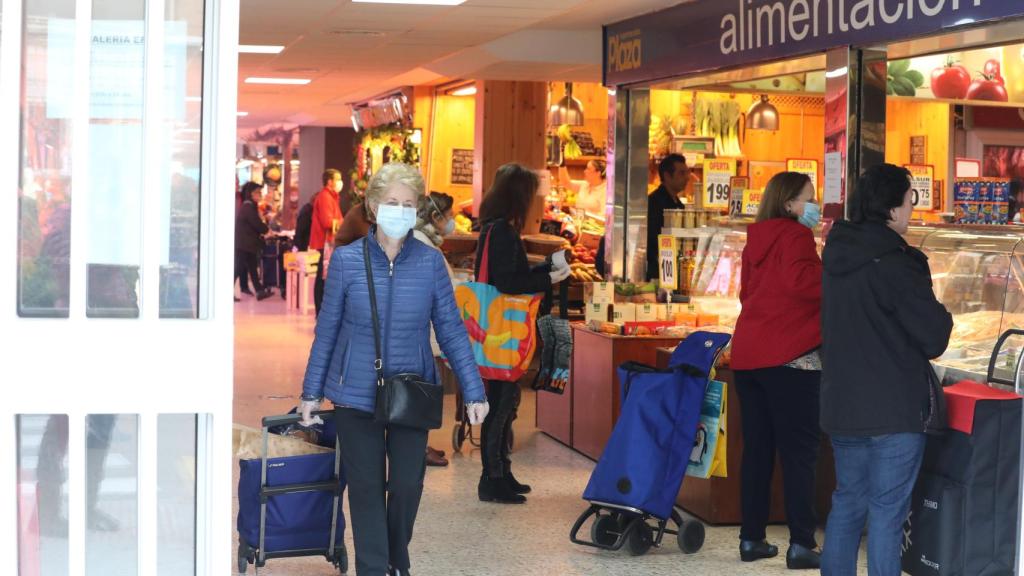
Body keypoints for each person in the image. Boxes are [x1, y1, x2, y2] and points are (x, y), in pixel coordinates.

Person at [298, 163, 489, 576]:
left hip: (411, 390)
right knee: (365, 489)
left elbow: (452, 332)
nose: (399, 211)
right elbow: (327, 331)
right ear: (372, 205)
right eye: (391, 203)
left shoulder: (431, 264)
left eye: (407, 204)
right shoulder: (347, 262)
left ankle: (394, 558)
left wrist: (474, 390)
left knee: (407, 486)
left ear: (417, 209)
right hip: (354, 393)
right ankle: (374, 569)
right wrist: (311, 393)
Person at [820, 163, 953, 576]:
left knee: (847, 504)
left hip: (842, 404)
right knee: (886, 514)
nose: (912, 210)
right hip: (893, 409)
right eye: (910, 201)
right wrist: (943, 315)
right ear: (893, 209)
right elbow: (933, 337)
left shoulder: (835, 253)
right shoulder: (898, 262)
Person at [729, 172, 823, 569]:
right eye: (809, 197)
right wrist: (833, 268)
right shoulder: (797, 237)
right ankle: (801, 544)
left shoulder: (758, 239)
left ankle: (752, 539)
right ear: (789, 203)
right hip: (791, 355)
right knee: (799, 454)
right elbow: (806, 286)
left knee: (758, 452)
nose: (814, 204)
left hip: (749, 356)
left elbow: (745, 293)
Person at [475, 163, 572, 504]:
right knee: (502, 404)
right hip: (504, 332)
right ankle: (492, 477)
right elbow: (508, 282)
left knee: (505, 401)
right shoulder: (502, 231)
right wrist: (548, 279)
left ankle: (502, 469)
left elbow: (507, 273)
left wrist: (544, 268)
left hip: (497, 330)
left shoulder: (492, 228)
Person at [412, 192, 460, 468]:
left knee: (425, 390)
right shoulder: (423, 244)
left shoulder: (424, 241)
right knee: (423, 391)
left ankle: (421, 444)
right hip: (424, 329)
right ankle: (418, 448)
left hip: (425, 328)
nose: (451, 221)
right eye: (449, 216)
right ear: (435, 217)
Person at [646, 153, 690, 280]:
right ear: (667, 176)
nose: (687, 178)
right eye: (681, 173)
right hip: (658, 273)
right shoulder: (654, 203)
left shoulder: (678, 204)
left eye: (687, 173)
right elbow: (653, 241)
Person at [311, 169, 344, 316]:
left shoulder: (332, 197)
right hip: (324, 243)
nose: (340, 182)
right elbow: (327, 222)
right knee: (322, 278)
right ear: (330, 181)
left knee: (324, 277)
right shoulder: (325, 197)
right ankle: (321, 312)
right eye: (338, 179)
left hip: (328, 243)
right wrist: (344, 224)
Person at [235, 182, 274, 301]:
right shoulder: (248, 206)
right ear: (251, 194)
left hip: (247, 242)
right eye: (258, 192)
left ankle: (259, 291)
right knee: (238, 268)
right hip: (245, 243)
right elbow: (256, 223)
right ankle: (225, 291)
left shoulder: (249, 205)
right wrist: (266, 230)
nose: (260, 194)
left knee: (252, 266)